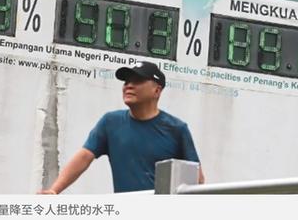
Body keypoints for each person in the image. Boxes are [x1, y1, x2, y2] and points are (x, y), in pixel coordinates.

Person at [38, 61, 205, 194]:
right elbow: (83, 157)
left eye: (138, 80)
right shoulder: (110, 123)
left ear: (157, 90)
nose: (128, 86)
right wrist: (54, 190)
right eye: (126, 81)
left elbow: (197, 180)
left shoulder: (177, 129)